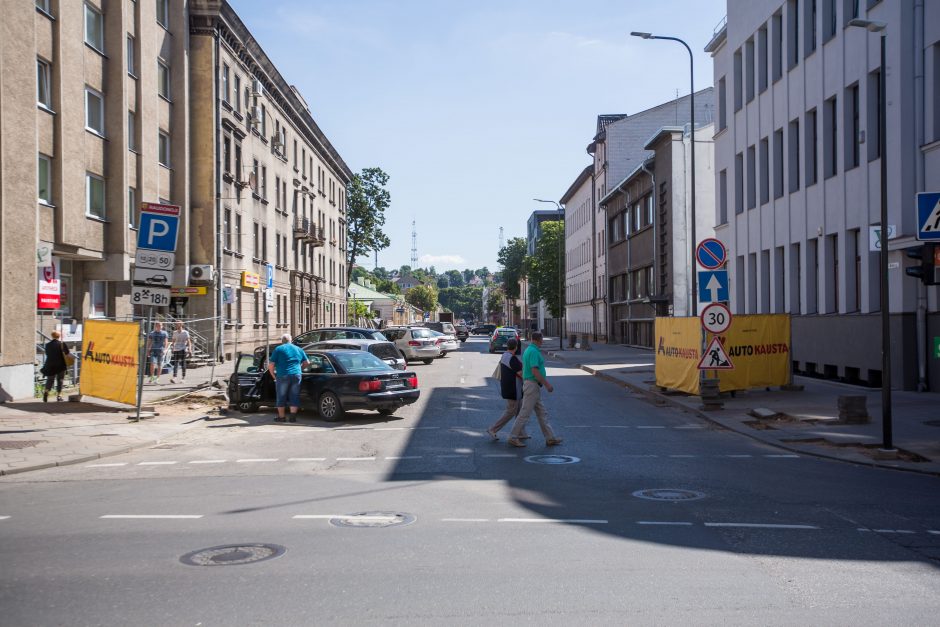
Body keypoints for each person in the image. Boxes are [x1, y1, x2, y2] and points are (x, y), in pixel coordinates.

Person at [508, 331, 562, 448]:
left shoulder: (530, 350)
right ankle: (513, 436)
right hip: (532, 385)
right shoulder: (533, 351)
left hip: (533, 386)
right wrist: (547, 384)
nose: (542, 342)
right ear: (537, 340)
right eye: (541, 340)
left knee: (542, 413)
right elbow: (535, 370)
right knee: (524, 413)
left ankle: (550, 438)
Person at [486, 338, 528, 440]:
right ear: (516, 347)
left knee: (519, 411)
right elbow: (521, 374)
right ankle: (493, 429)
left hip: (508, 387)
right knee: (511, 412)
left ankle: (521, 433)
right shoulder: (512, 359)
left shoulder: (504, 355)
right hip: (514, 389)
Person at [267, 334, 309, 423]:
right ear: (291, 341)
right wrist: (299, 369)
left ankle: (281, 417)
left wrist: (273, 376)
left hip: (283, 375)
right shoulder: (298, 349)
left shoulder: (278, 349)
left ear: (282, 341)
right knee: (294, 396)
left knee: (281, 396)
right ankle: (292, 417)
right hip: (296, 375)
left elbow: (271, 365)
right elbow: (307, 362)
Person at [41, 330, 71, 402]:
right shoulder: (62, 344)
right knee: (60, 380)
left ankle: (46, 393)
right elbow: (67, 353)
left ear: (52, 336)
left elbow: (47, 354)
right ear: (59, 336)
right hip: (60, 365)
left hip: (50, 365)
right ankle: (59, 396)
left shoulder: (48, 345)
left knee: (50, 380)